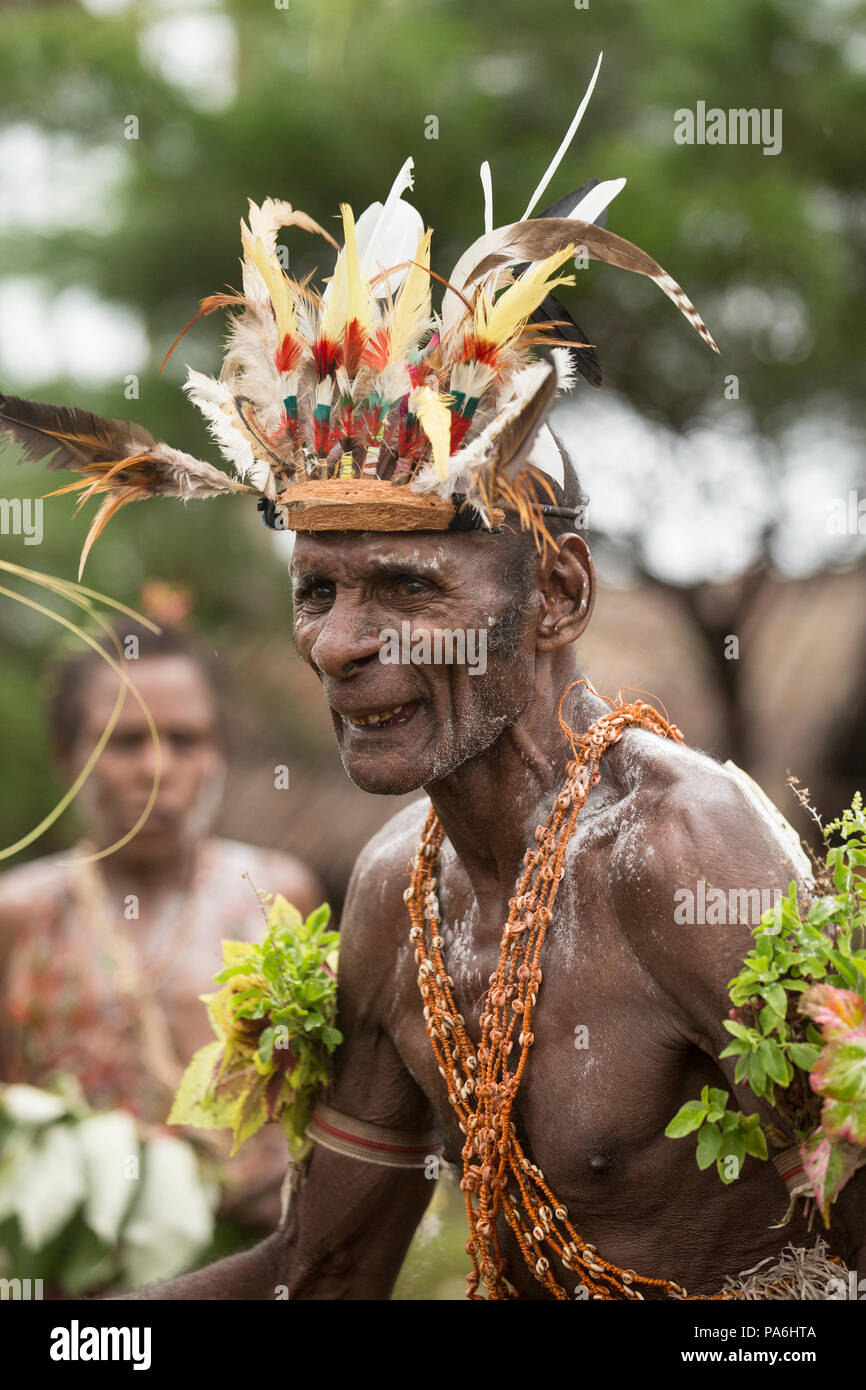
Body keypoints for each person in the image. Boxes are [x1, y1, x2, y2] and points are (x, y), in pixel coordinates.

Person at [1, 61, 862, 1297]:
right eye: (318, 590)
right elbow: (324, 1270)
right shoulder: (392, 892)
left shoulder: (683, 855)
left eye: (408, 589)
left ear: (555, 595)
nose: (343, 643)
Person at [0, 620, 324, 1239]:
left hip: (253, 1262)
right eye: (124, 742)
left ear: (218, 754)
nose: (156, 769)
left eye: (184, 740)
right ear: (68, 757)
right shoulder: (19, 916)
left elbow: (338, 1097)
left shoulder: (275, 897)